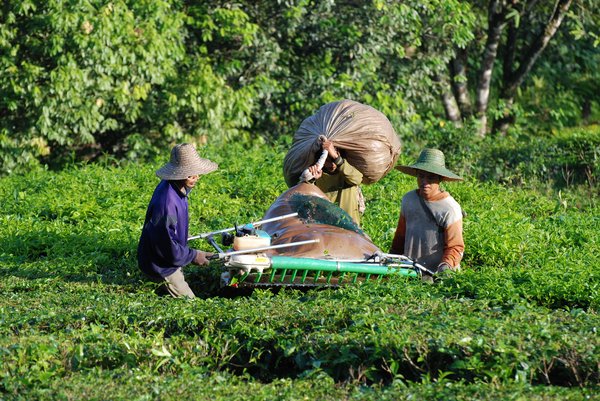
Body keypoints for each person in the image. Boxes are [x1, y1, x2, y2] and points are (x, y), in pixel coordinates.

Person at [137, 143, 218, 298]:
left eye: (197, 173)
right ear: (179, 174)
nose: (197, 178)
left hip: (167, 257)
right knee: (192, 306)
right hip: (161, 265)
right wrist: (194, 255)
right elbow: (166, 245)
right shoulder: (167, 202)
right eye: (191, 175)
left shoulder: (177, 187)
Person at [389, 148, 464, 276]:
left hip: (437, 274)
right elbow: (400, 238)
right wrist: (391, 261)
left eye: (430, 178)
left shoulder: (450, 208)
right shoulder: (409, 200)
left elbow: (456, 247)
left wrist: (445, 267)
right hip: (410, 272)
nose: (424, 182)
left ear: (439, 180)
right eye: (421, 176)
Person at [307, 138, 365, 225]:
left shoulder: (347, 171)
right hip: (328, 229)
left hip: (350, 228)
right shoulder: (318, 177)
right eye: (328, 160)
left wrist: (336, 158)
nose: (332, 164)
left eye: (333, 160)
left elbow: (357, 179)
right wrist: (311, 178)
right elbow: (306, 197)